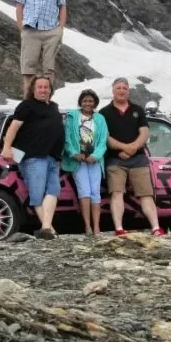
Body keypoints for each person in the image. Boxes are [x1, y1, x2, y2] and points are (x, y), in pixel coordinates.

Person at [99, 77, 164, 236]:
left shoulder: (138, 110)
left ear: (128, 91)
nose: (121, 91)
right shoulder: (104, 113)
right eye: (118, 88)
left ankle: (155, 227)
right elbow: (105, 137)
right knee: (116, 192)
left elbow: (144, 132)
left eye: (124, 88)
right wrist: (124, 148)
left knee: (146, 193)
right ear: (113, 91)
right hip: (115, 159)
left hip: (138, 158)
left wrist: (133, 148)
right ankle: (119, 229)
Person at [1, 76, 64, 239]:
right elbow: (13, 128)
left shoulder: (54, 107)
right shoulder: (26, 106)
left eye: (46, 87)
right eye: (40, 87)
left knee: (53, 191)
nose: (43, 90)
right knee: (38, 194)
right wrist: (6, 148)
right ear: (33, 89)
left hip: (53, 157)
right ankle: (48, 229)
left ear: (50, 89)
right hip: (33, 157)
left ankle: (47, 228)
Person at [13, 0, 67, 98]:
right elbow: (19, 5)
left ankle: (46, 102)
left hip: (51, 30)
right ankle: (28, 101)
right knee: (28, 68)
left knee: (48, 69)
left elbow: (62, 5)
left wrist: (60, 29)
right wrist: (20, 27)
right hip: (30, 29)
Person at [62, 89, 109, 236]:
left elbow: (103, 141)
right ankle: (87, 227)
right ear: (80, 102)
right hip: (79, 161)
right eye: (85, 101)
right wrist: (74, 153)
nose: (87, 103)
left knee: (96, 193)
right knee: (85, 192)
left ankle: (96, 227)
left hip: (94, 161)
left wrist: (96, 155)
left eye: (90, 101)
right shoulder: (72, 117)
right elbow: (67, 138)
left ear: (94, 103)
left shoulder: (100, 119)